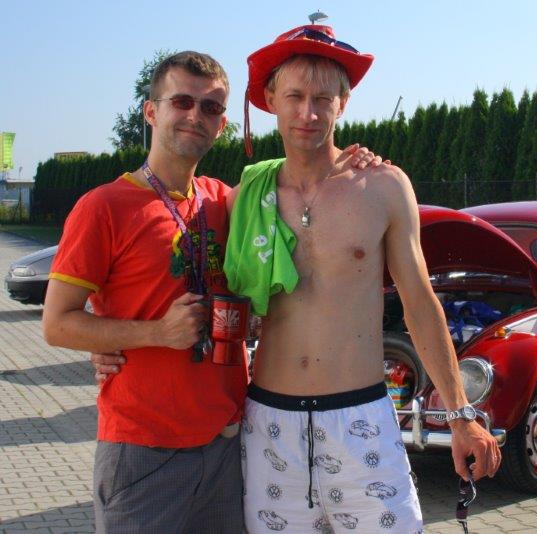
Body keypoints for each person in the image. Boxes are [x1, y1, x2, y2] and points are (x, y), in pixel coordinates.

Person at [42, 50, 381, 533]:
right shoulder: (104, 207)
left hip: (228, 446)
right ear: (151, 110)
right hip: (145, 451)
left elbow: (300, 174)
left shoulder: (229, 201)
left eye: (211, 107)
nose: (195, 116)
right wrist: (154, 333)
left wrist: (353, 160)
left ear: (222, 124)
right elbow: (57, 324)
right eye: (182, 101)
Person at [226, 25, 501, 532]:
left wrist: (460, 414)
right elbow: (187, 272)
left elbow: (420, 302)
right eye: (295, 97)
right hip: (270, 426)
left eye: (322, 99)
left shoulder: (383, 187)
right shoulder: (245, 196)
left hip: (360, 421)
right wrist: (115, 339)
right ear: (271, 100)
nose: (308, 113)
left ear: (343, 103)